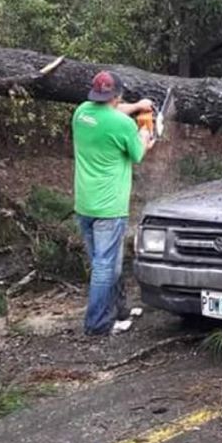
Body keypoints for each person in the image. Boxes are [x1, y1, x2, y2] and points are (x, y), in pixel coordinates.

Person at [73, 71, 155, 335]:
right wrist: (146, 133)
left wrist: (139, 106)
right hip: (109, 207)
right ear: (117, 95)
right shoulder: (123, 125)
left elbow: (114, 111)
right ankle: (97, 324)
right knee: (105, 267)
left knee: (109, 263)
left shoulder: (82, 113)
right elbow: (138, 154)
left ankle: (119, 310)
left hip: (85, 203)